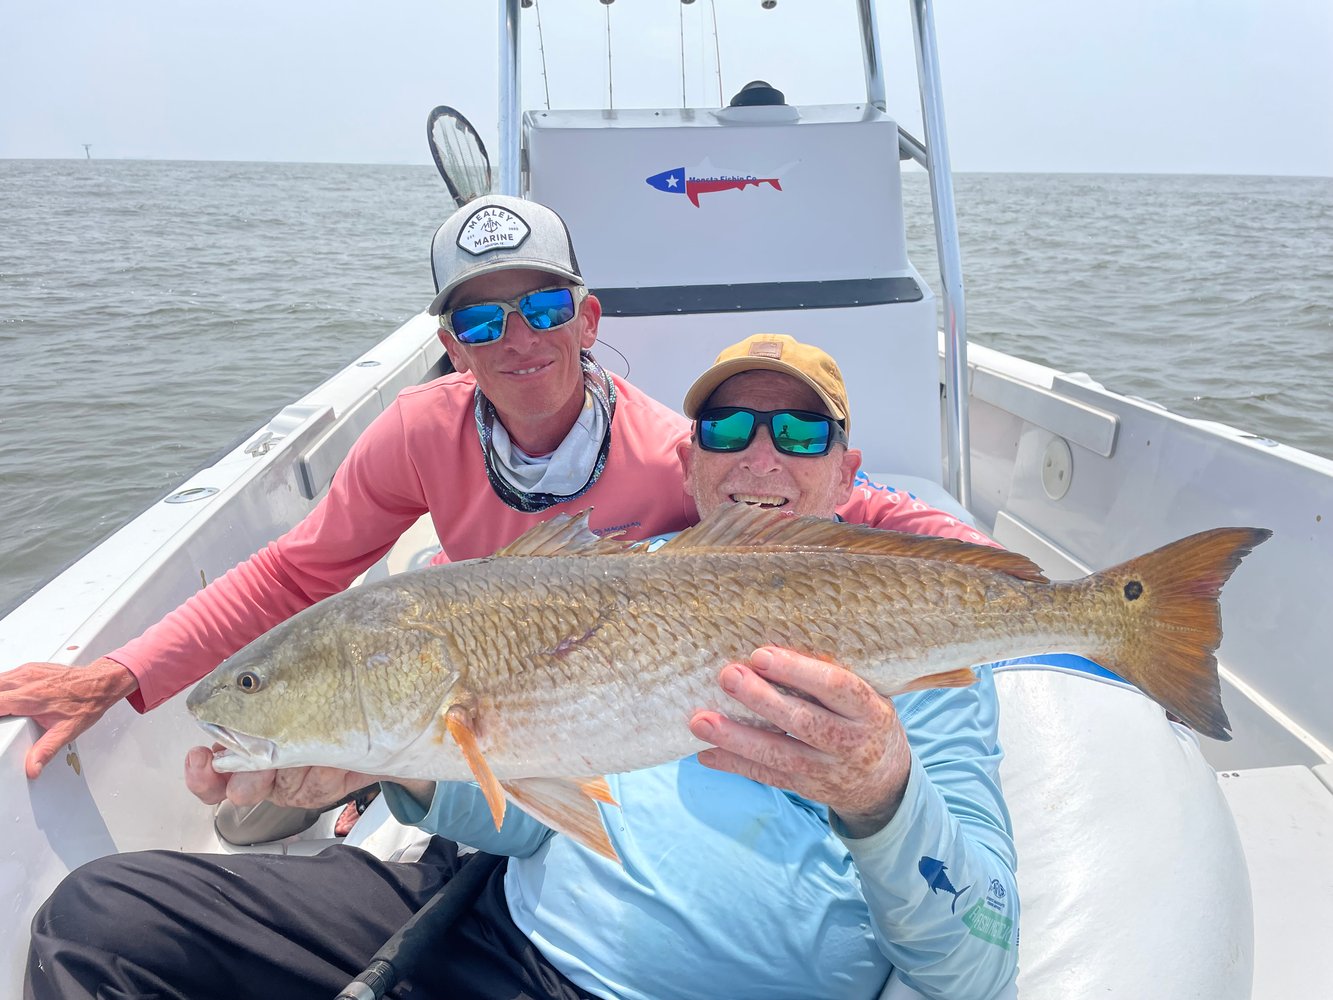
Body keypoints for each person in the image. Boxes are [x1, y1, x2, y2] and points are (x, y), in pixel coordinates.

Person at [27, 334, 1019, 1000]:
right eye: (726, 428)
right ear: (687, 462)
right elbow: (530, 815)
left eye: (801, 432)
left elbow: (977, 960)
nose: (760, 454)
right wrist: (402, 769)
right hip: (488, 932)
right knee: (100, 920)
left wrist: (879, 791)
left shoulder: (915, 640)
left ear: (849, 474)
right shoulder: (628, 578)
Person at [0, 194, 696, 841]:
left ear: (588, 321)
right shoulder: (420, 432)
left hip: (600, 703)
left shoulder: (675, 459)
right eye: (480, 322)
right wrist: (118, 675)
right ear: (452, 349)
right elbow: (293, 573)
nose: (517, 338)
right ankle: (389, 770)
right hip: (453, 681)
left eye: (543, 308)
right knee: (244, 822)